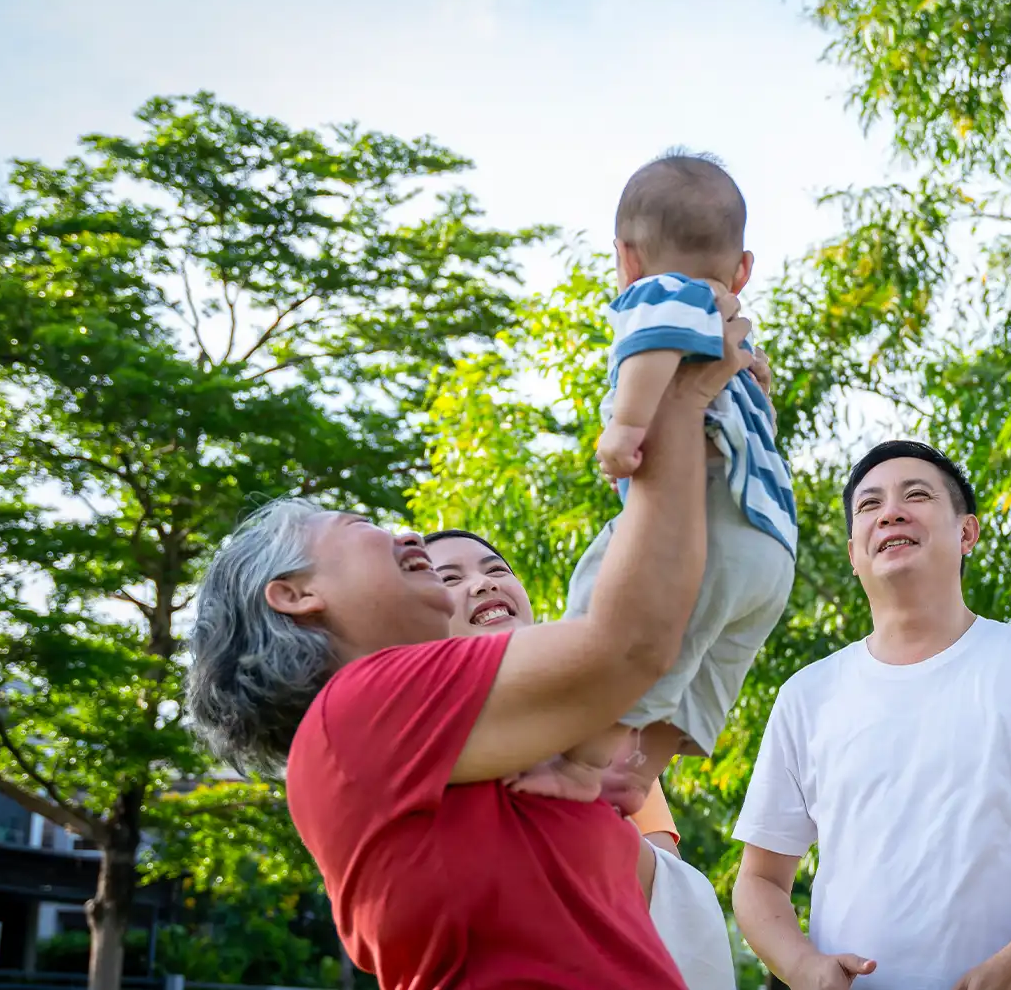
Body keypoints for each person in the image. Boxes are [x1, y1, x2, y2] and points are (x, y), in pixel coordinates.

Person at [182, 310, 753, 988]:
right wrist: (681, 401)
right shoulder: (357, 709)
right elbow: (632, 645)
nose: (410, 539)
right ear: (295, 595)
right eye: (359, 523)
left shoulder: (508, 758)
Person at [732, 440, 1011, 990]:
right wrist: (803, 968)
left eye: (917, 495)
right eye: (869, 505)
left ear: (967, 534)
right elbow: (761, 879)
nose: (891, 512)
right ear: (853, 552)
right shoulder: (806, 695)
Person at [512, 149, 796, 813]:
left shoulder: (667, 295)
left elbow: (653, 343)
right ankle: (642, 773)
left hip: (711, 524)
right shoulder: (740, 338)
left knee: (611, 601)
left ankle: (583, 763)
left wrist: (626, 428)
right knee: (705, 668)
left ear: (627, 257)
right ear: (744, 267)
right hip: (771, 547)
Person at [425, 527, 737, 990]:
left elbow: (667, 880)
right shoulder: (419, 741)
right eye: (450, 579)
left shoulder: (603, 723)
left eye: (496, 570)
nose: (484, 583)